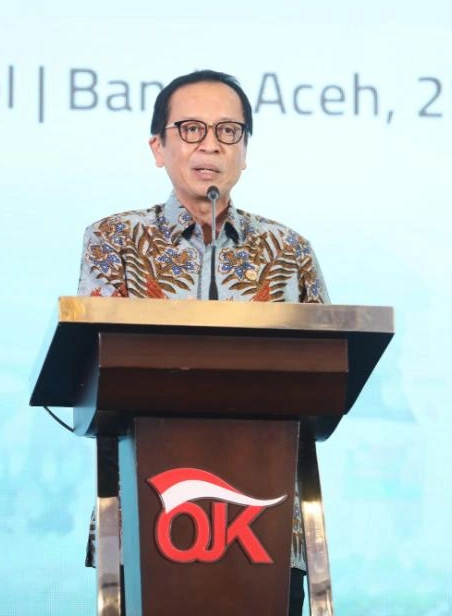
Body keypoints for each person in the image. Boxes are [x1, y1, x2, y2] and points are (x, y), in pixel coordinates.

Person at [78, 68, 328, 616]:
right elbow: (100, 365)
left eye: (228, 131)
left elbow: (326, 373)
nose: (210, 144)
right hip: (146, 512)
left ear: (245, 151)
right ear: (158, 147)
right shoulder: (115, 240)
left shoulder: (290, 251)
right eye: (190, 129)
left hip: (266, 519)